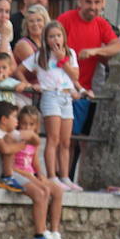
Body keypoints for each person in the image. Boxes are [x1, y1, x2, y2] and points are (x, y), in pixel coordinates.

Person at [0, 100, 61, 239]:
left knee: (41, 192)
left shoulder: (12, 133)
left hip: (3, 172)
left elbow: (35, 140)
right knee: (9, 144)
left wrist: (30, 135)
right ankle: (8, 178)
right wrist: (22, 143)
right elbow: (6, 150)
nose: (17, 122)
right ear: (4, 120)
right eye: (15, 118)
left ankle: (40, 235)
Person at [55, 0, 120, 135]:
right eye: (88, 2)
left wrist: (95, 51)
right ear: (80, 1)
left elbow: (118, 46)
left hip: (85, 91)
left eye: (97, 2)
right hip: (64, 89)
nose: (93, 6)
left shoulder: (101, 24)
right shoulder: (65, 19)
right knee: (64, 140)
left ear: (103, 3)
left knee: (82, 139)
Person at [35, 21, 83, 190]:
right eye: (51, 36)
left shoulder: (71, 53)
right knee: (53, 138)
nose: (55, 39)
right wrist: (31, 83)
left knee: (65, 140)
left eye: (58, 35)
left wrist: (63, 60)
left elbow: (75, 75)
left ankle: (65, 176)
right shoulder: (40, 55)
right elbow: (20, 69)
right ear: (46, 39)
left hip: (66, 96)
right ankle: (52, 175)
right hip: (50, 95)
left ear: (63, 37)